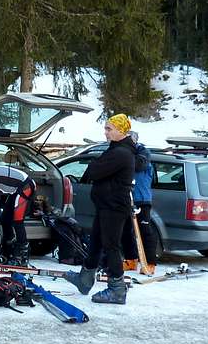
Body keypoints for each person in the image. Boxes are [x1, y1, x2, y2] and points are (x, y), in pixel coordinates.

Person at [63, 114, 137, 304]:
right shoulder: (116, 149)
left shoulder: (121, 153)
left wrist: (95, 165)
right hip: (106, 205)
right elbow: (92, 172)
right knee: (95, 242)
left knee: (110, 246)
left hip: (114, 207)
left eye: (109, 129)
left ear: (121, 131)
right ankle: (85, 279)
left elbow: (93, 172)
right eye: (105, 128)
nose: (105, 133)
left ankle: (117, 288)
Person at [121, 131, 157, 276]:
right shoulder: (124, 153)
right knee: (125, 231)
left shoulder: (143, 154)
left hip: (141, 199)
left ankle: (149, 262)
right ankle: (131, 260)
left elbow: (138, 166)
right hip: (126, 198)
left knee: (145, 232)